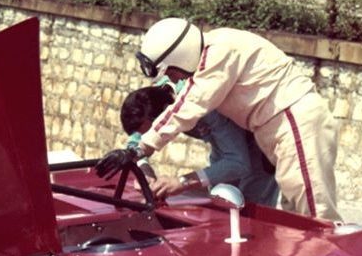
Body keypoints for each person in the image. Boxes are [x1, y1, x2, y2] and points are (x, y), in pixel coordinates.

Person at [99, 17, 341, 222]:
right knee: (297, 222)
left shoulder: (218, 54)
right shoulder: (208, 54)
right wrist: (133, 149)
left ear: (181, 57)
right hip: (280, 128)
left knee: (317, 216)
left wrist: (144, 150)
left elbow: (188, 105)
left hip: (294, 121)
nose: (172, 79)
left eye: (171, 71)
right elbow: (159, 116)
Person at [119, 84, 279, 206]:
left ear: (164, 115)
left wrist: (182, 182)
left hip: (260, 147)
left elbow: (239, 163)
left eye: (154, 131)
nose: (153, 137)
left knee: (250, 213)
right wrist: (145, 170)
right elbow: (136, 142)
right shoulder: (152, 99)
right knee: (220, 205)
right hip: (225, 147)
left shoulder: (204, 107)